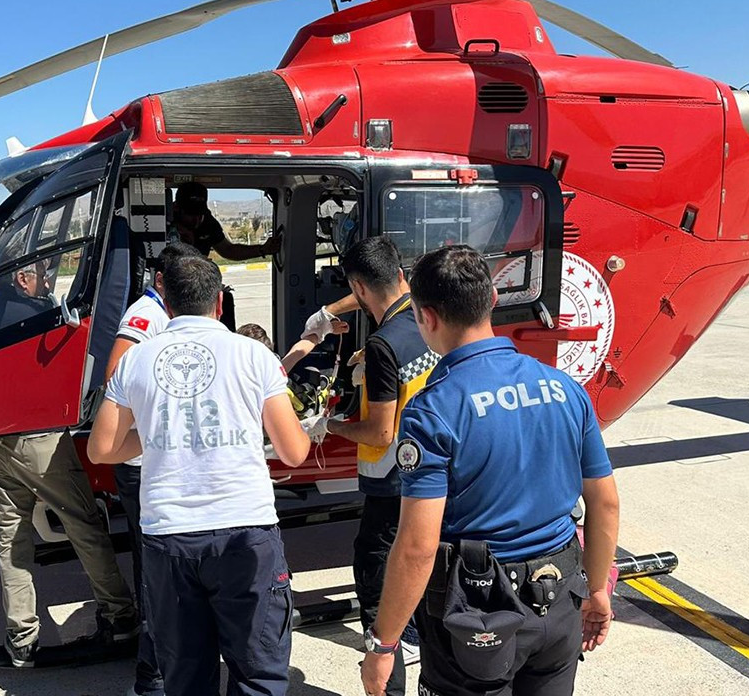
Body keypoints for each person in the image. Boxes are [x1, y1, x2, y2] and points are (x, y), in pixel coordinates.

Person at [360, 245, 620, 696]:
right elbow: (605, 501)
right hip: (559, 601)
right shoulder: (563, 388)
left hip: (476, 615)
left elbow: (417, 546)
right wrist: (597, 590)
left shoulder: (433, 411)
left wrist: (383, 645)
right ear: (493, 301)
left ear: (426, 317)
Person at [89, 255, 310, 696]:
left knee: (186, 676)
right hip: (245, 533)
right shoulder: (254, 355)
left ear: (165, 303)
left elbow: (103, 448)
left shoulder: (135, 362)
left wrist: (157, 436)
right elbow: (294, 451)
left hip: (168, 537)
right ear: (220, 304)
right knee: (259, 673)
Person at [0, 254, 139, 669]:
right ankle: (120, 616)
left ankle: (22, 637)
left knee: (11, 541)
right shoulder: (39, 316)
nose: (50, 284)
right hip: (39, 441)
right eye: (45, 276)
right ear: (22, 276)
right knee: (85, 527)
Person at [304, 236, 435, 694]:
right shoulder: (427, 315)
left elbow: (379, 433)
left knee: (379, 585)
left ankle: (389, 678)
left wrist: (330, 426)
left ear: (359, 285)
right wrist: (333, 314)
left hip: (390, 481)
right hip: (430, 475)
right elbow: (374, 291)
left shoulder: (383, 346)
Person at [101, 241, 198, 696]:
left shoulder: (170, 313)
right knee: (156, 567)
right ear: (162, 281)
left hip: (155, 458)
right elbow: (117, 370)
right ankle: (152, 672)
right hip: (143, 463)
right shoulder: (146, 315)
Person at [170, 182, 282, 331]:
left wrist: (262, 250)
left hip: (198, 281)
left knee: (225, 299)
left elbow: (228, 250)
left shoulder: (207, 222)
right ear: (177, 208)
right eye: (191, 214)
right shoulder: (164, 221)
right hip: (172, 284)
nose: (196, 220)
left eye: (199, 214)